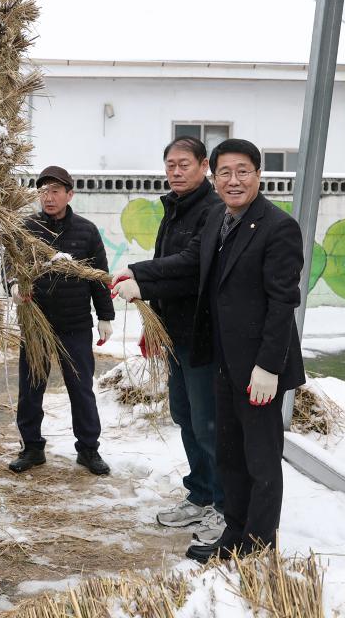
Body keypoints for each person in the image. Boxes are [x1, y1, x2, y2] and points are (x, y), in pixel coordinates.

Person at [112, 138, 305, 563]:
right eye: (226, 174)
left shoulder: (277, 226)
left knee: (261, 461)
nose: (233, 181)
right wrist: (140, 278)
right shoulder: (222, 222)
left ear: (258, 175)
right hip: (221, 360)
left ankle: (257, 546)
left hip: (258, 369)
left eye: (243, 172)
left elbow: (283, 302)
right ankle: (232, 536)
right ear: (215, 178)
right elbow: (187, 264)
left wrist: (269, 366)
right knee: (232, 458)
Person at [135, 137, 226, 544]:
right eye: (169, 164)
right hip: (173, 332)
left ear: (204, 165)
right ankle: (201, 494)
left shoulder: (213, 209)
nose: (175, 171)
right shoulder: (173, 208)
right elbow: (164, 266)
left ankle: (223, 506)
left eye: (184, 164)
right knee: (185, 417)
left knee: (208, 424)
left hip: (203, 334)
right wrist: (151, 320)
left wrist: (137, 274)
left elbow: (191, 264)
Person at [7, 166, 115, 476]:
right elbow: (11, 266)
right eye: (43, 191)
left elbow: (98, 276)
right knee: (31, 387)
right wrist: (13, 284)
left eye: (55, 191)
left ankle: (88, 449)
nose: (48, 197)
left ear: (70, 194)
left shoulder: (86, 231)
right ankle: (31, 447)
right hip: (36, 323)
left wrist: (105, 315)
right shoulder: (25, 229)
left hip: (75, 324)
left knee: (81, 388)